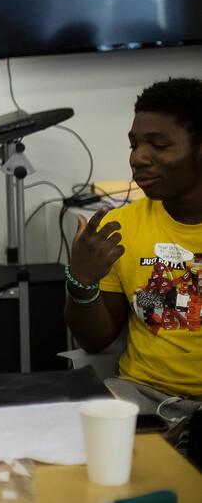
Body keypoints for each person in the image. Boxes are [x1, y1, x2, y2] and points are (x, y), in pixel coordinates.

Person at [64, 77, 202, 450]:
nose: (138, 157)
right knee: (71, 439)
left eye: (158, 145)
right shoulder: (120, 228)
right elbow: (95, 340)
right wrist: (81, 280)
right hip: (141, 395)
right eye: (134, 144)